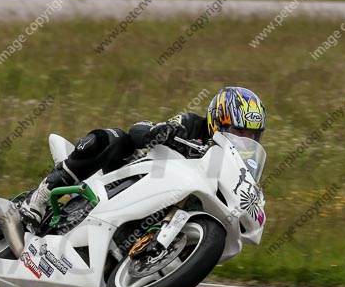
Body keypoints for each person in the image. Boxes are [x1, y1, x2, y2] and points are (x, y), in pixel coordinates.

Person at [21, 86, 266, 223]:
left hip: (171, 203)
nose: (245, 139)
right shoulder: (192, 124)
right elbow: (139, 131)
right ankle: (40, 196)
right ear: (217, 121)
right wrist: (161, 131)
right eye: (237, 130)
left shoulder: (239, 166)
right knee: (113, 139)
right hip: (135, 176)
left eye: (252, 135)